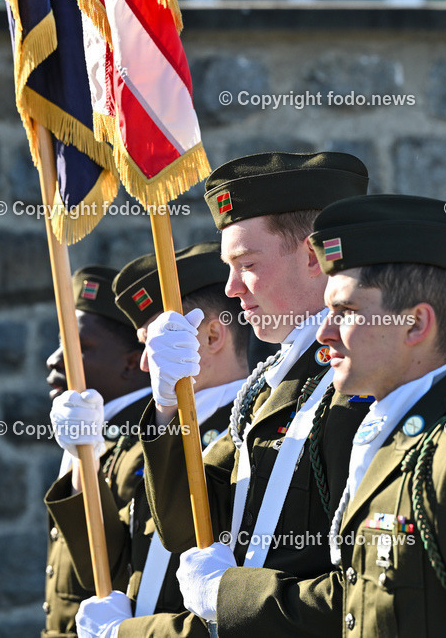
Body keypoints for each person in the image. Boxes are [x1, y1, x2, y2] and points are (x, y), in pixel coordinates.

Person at [178, 194, 446, 636]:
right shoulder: (390, 445)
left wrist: (231, 594)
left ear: (415, 324)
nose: (324, 331)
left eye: (347, 312)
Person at [81, 152, 373, 635]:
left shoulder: (360, 383)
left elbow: (365, 596)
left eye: (247, 263)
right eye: (228, 267)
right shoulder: (267, 388)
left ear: (311, 255)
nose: (234, 288)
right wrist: (169, 406)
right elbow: (184, 524)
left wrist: (228, 596)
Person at [50, 242, 254, 637]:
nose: (145, 364)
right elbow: (107, 566)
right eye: (144, 346)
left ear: (213, 336)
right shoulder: (147, 435)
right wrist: (83, 458)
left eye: (157, 343)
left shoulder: (251, 431)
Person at [43, 266, 152, 638]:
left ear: (129, 362)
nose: (55, 360)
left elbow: (122, 565)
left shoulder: (148, 440)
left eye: (78, 348)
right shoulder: (95, 432)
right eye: (61, 344)